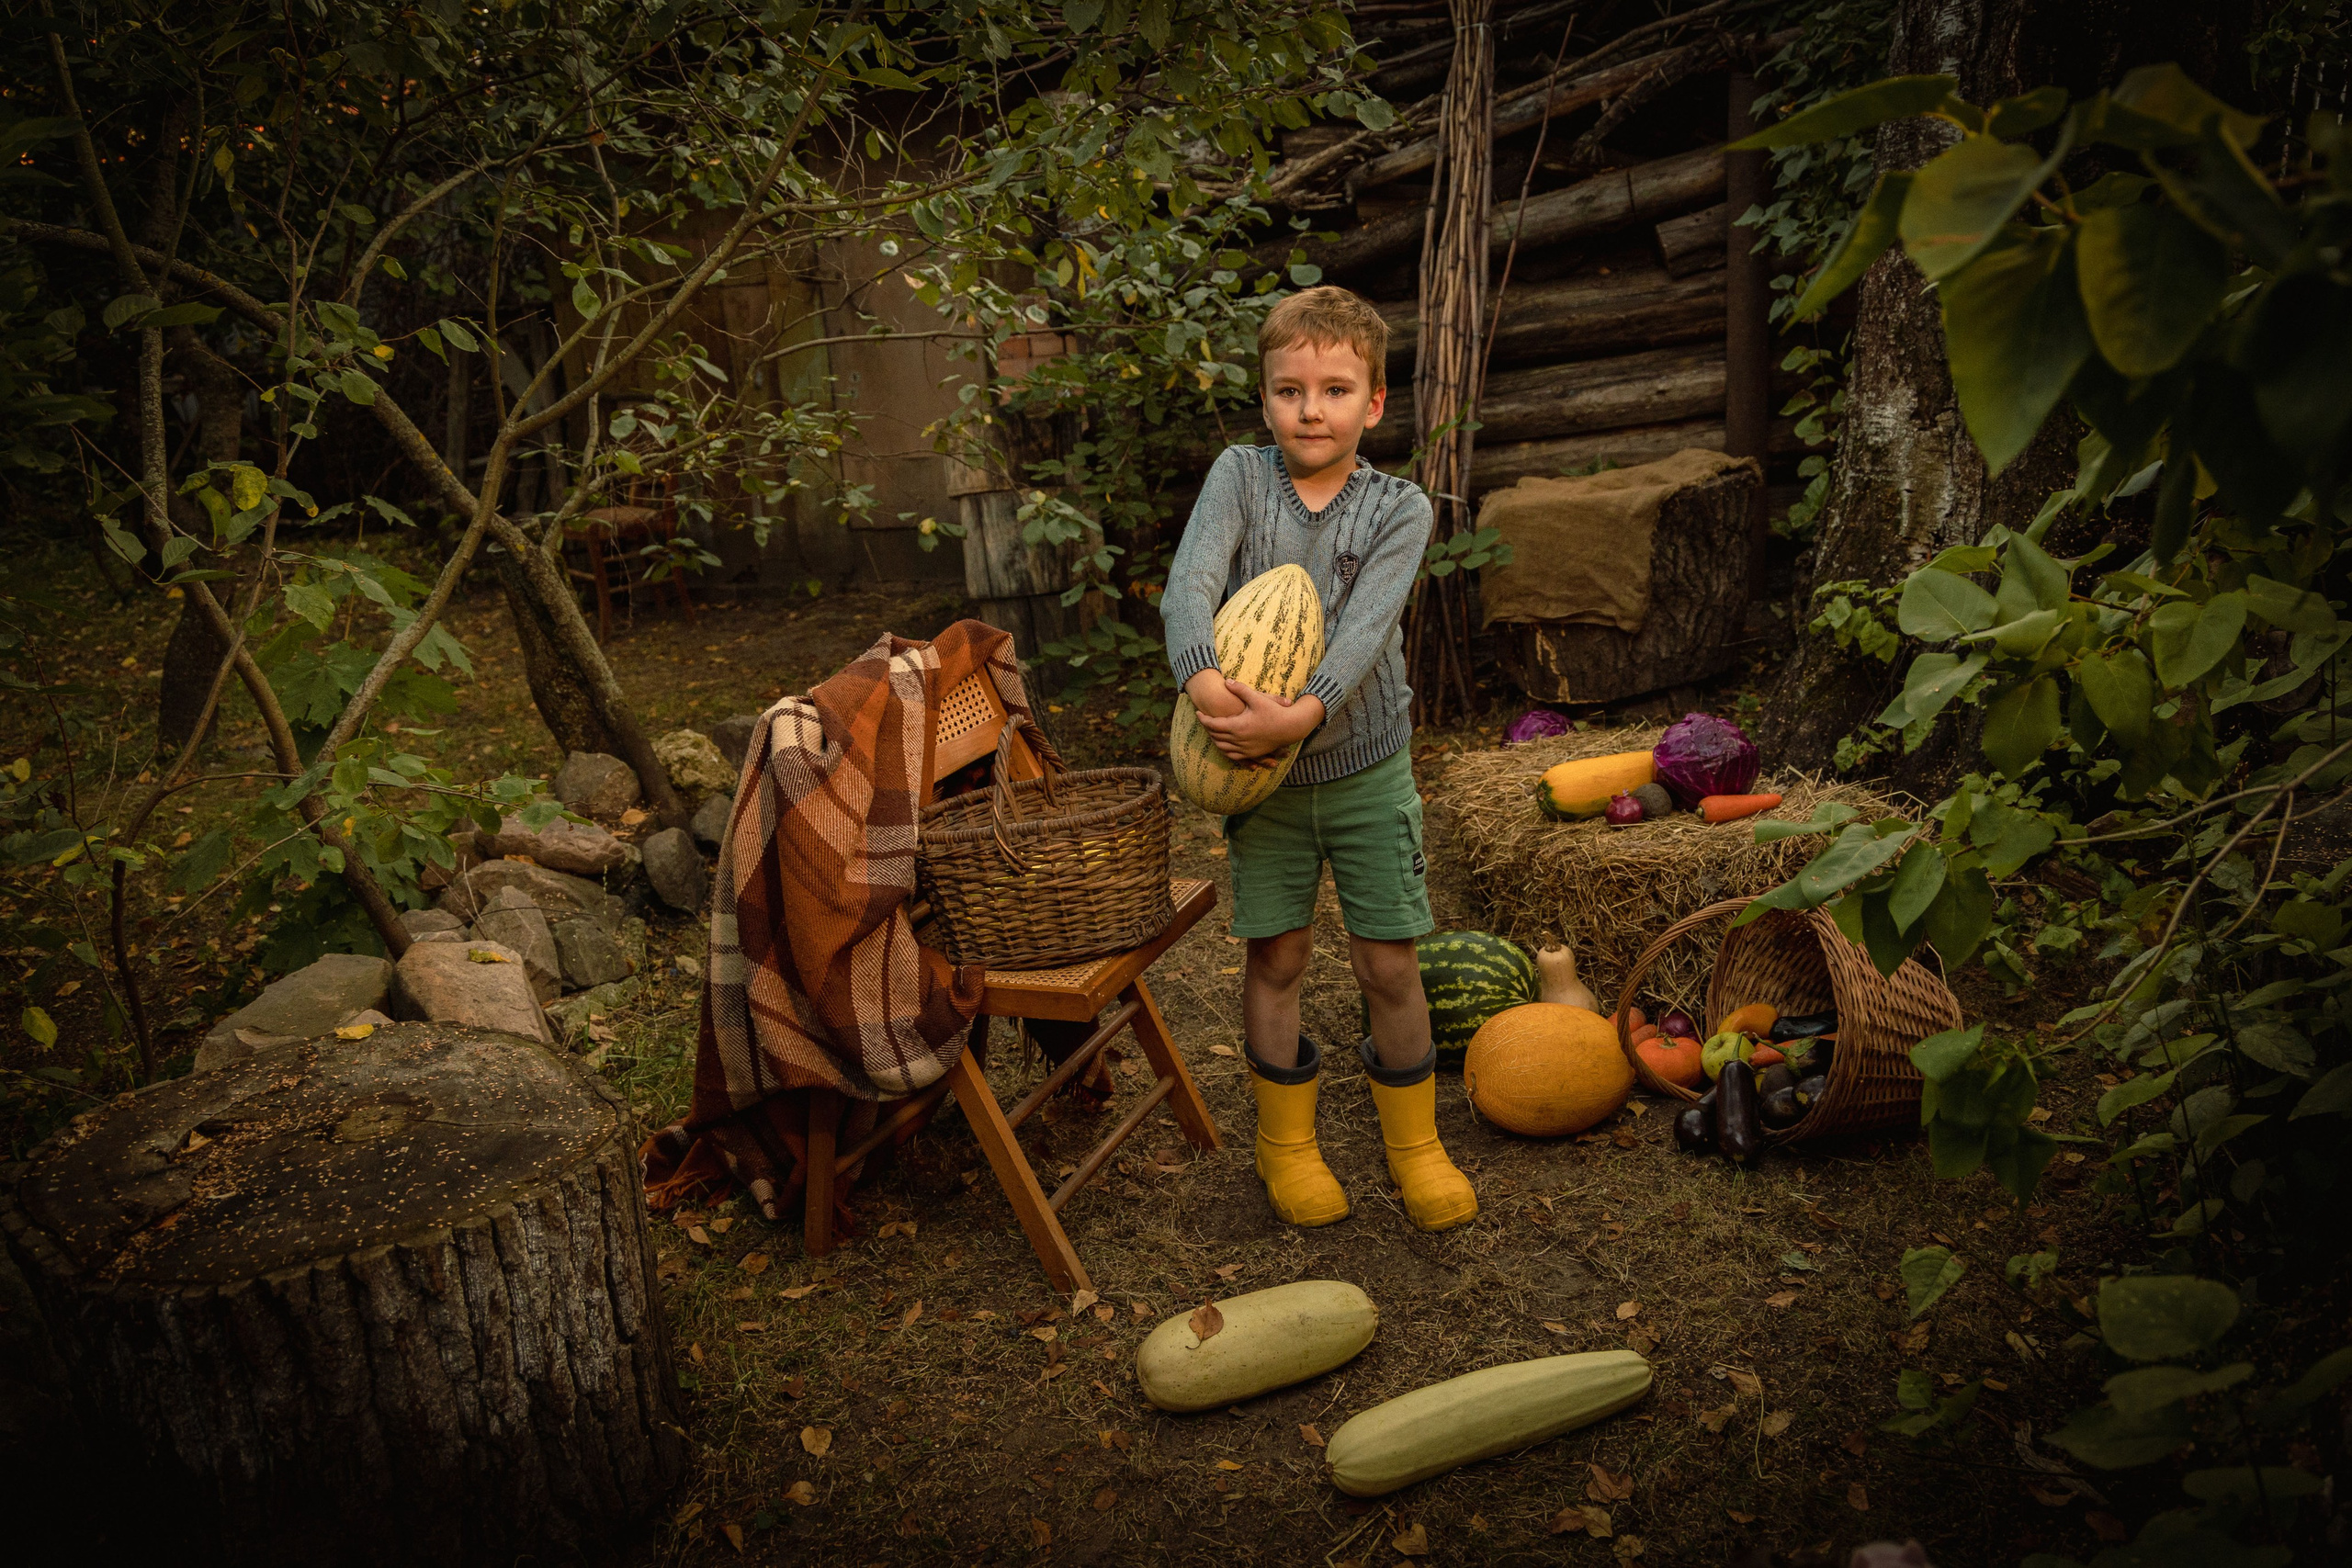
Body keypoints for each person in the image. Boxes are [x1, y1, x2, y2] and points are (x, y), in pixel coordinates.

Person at [1160, 285, 1476, 1234]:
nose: (1311, 408)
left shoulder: (1400, 508)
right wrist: (1210, 693)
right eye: (1290, 389)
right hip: (1257, 776)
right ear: (1264, 398)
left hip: (1365, 765)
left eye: (1335, 389)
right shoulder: (1238, 479)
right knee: (1279, 954)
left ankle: (1414, 1147)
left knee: (1386, 962)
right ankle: (1285, 1147)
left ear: (1373, 404)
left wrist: (1295, 715)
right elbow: (1188, 588)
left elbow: (1366, 635)